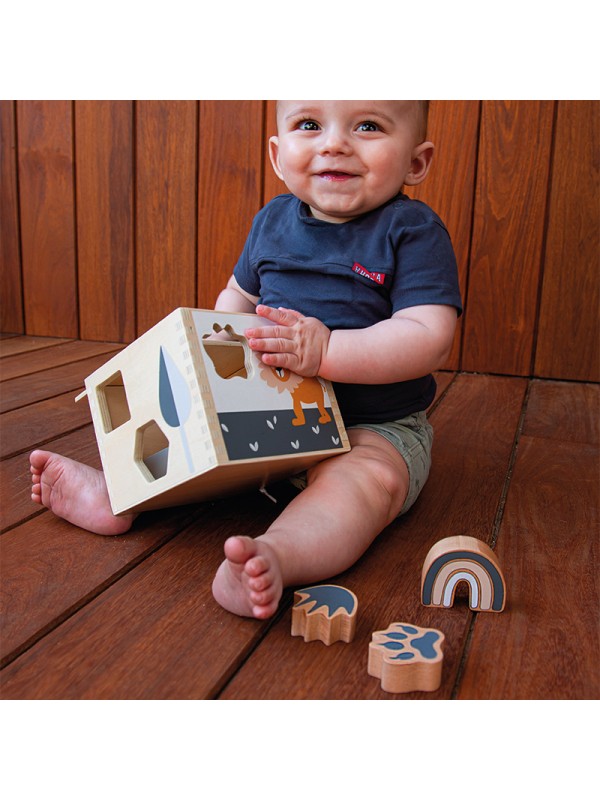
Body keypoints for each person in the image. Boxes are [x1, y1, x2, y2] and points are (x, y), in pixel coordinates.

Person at [30, 100, 462, 620]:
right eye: (309, 124)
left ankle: (280, 553)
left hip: (370, 427)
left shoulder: (410, 230)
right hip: (266, 411)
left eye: (367, 126)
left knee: (365, 485)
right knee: (189, 440)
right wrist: (207, 358)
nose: (334, 143)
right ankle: (120, 495)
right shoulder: (273, 221)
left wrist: (328, 353)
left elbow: (428, 336)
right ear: (279, 155)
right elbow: (236, 297)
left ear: (416, 163)